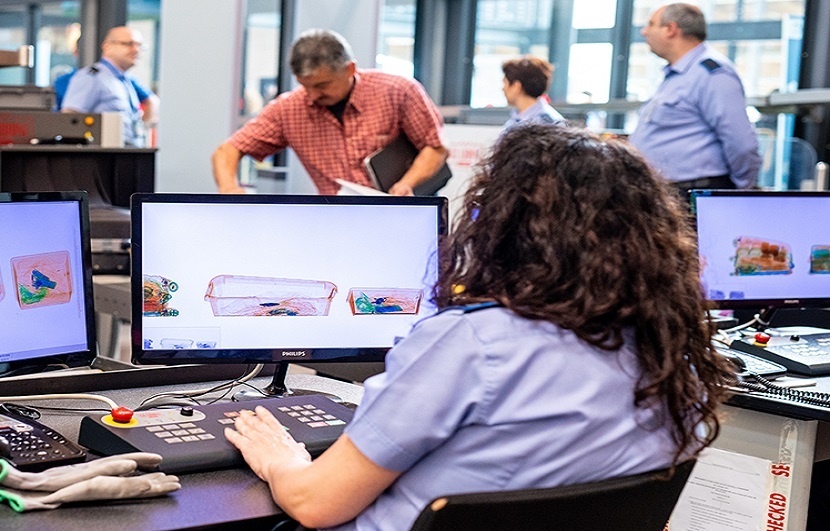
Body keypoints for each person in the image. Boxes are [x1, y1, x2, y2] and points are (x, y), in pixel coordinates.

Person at [224, 124, 734, 530]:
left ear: (504, 227)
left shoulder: (473, 343)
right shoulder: (674, 354)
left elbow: (315, 505)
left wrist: (281, 460)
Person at [212, 29, 448, 196]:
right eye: (305, 86)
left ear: (350, 69)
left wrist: (407, 184)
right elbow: (227, 151)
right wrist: (229, 189)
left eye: (322, 85)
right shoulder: (289, 109)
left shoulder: (398, 91)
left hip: (405, 210)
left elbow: (435, 147)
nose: (313, 95)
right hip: (337, 219)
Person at [628, 3, 761, 193]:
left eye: (651, 24)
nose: (644, 32)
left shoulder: (712, 74)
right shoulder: (679, 74)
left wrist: (741, 191)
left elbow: (741, 144)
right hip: (667, 191)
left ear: (670, 29)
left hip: (694, 191)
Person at [61, 26, 159, 147]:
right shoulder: (92, 77)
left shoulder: (125, 80)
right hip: (103, 157)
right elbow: (70, 119)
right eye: (128, 44)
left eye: (139, 46)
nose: (136, 50)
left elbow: (152, 102)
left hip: (127, 152)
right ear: (107, 47)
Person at [501, 56, 565, 128]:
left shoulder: (547, 123)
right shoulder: (516, 119)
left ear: (516, 87)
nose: (503, 89)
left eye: (505, 83)